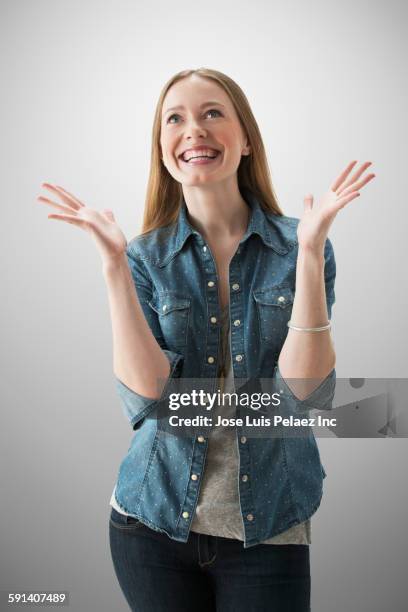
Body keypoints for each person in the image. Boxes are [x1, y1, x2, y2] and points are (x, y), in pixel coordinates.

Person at [37, 67, 375, 612]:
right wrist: (114, 267)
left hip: (269, 525)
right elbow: (149, 395)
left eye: (212, 113)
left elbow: (304, 395)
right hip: (150, 524)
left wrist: (310, 255)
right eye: (176, 119)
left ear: (245, 140)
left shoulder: (301, 245)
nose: (193, 129)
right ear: (164, 150)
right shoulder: (143, 257)